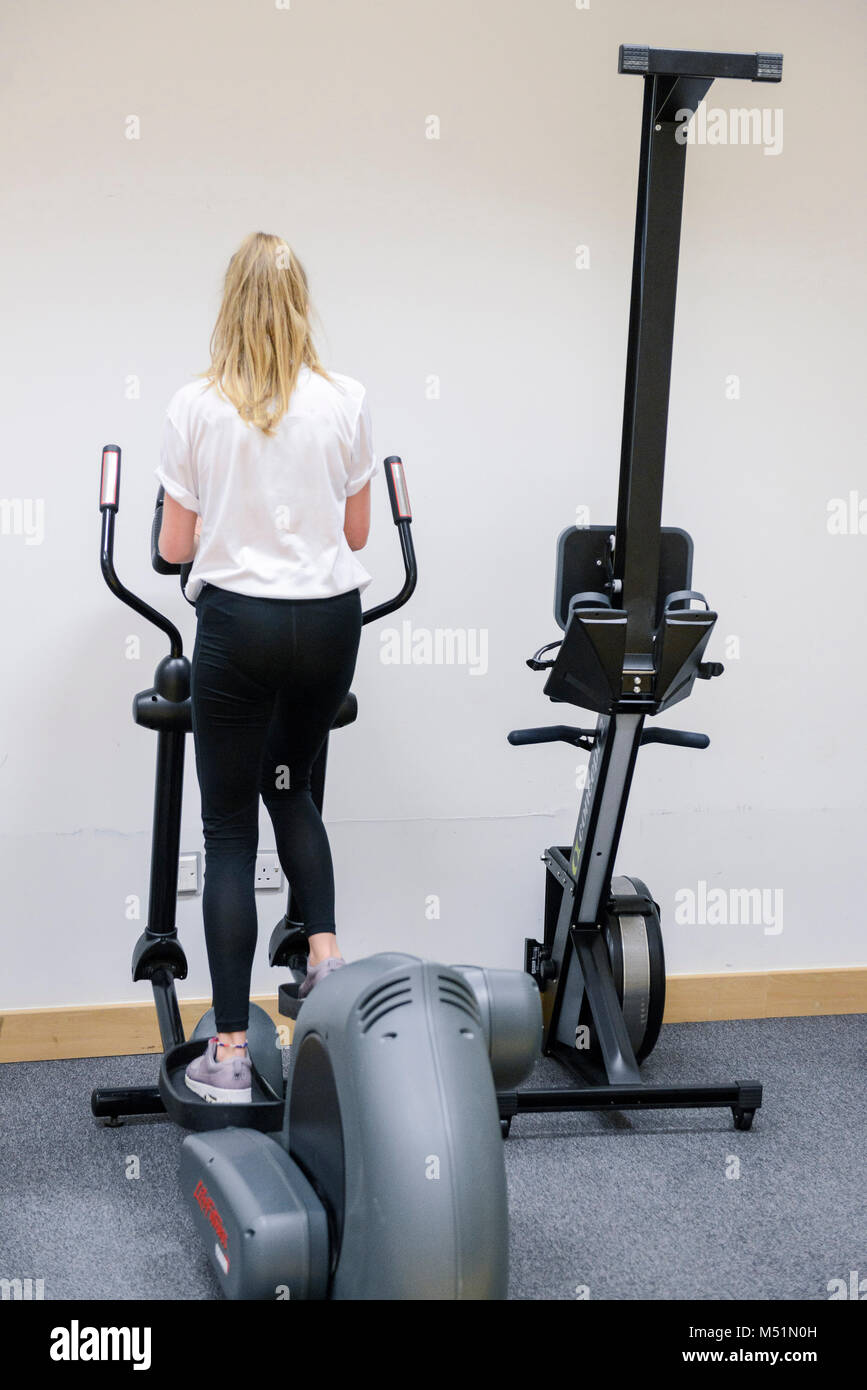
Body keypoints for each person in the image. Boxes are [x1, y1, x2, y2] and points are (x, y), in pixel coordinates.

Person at [155, 231, 376, 1103]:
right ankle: (323, 958)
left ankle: (233, 1053)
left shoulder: (195, 406)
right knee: (292, 789)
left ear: (230, 306)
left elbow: (176, 548)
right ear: (299, 306)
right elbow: (355, 536)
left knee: (228, 832)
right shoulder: (346, 399)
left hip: (238, 626)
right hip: (328, 625)